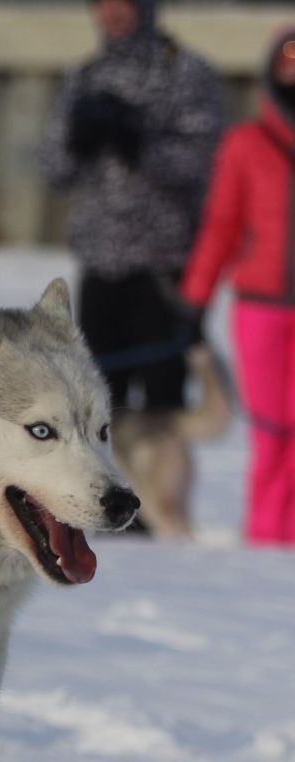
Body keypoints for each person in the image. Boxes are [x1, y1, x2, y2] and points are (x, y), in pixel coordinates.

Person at [39, 0, 226, 413]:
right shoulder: (85, 76)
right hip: (101, 266)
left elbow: (206, 163)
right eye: (102, 4)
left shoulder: (184, 72)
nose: (112, 13)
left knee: (163, 405)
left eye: (122, 3)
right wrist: (77, 142)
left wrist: (140, 144)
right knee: (95, 408)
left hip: (161, 267)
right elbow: (53, 170)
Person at [181, 31, 295, 546]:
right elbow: (222, 225)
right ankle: (268, 534)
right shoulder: (245, 145)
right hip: (262, 309)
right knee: (271, 427)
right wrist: (196, 298)